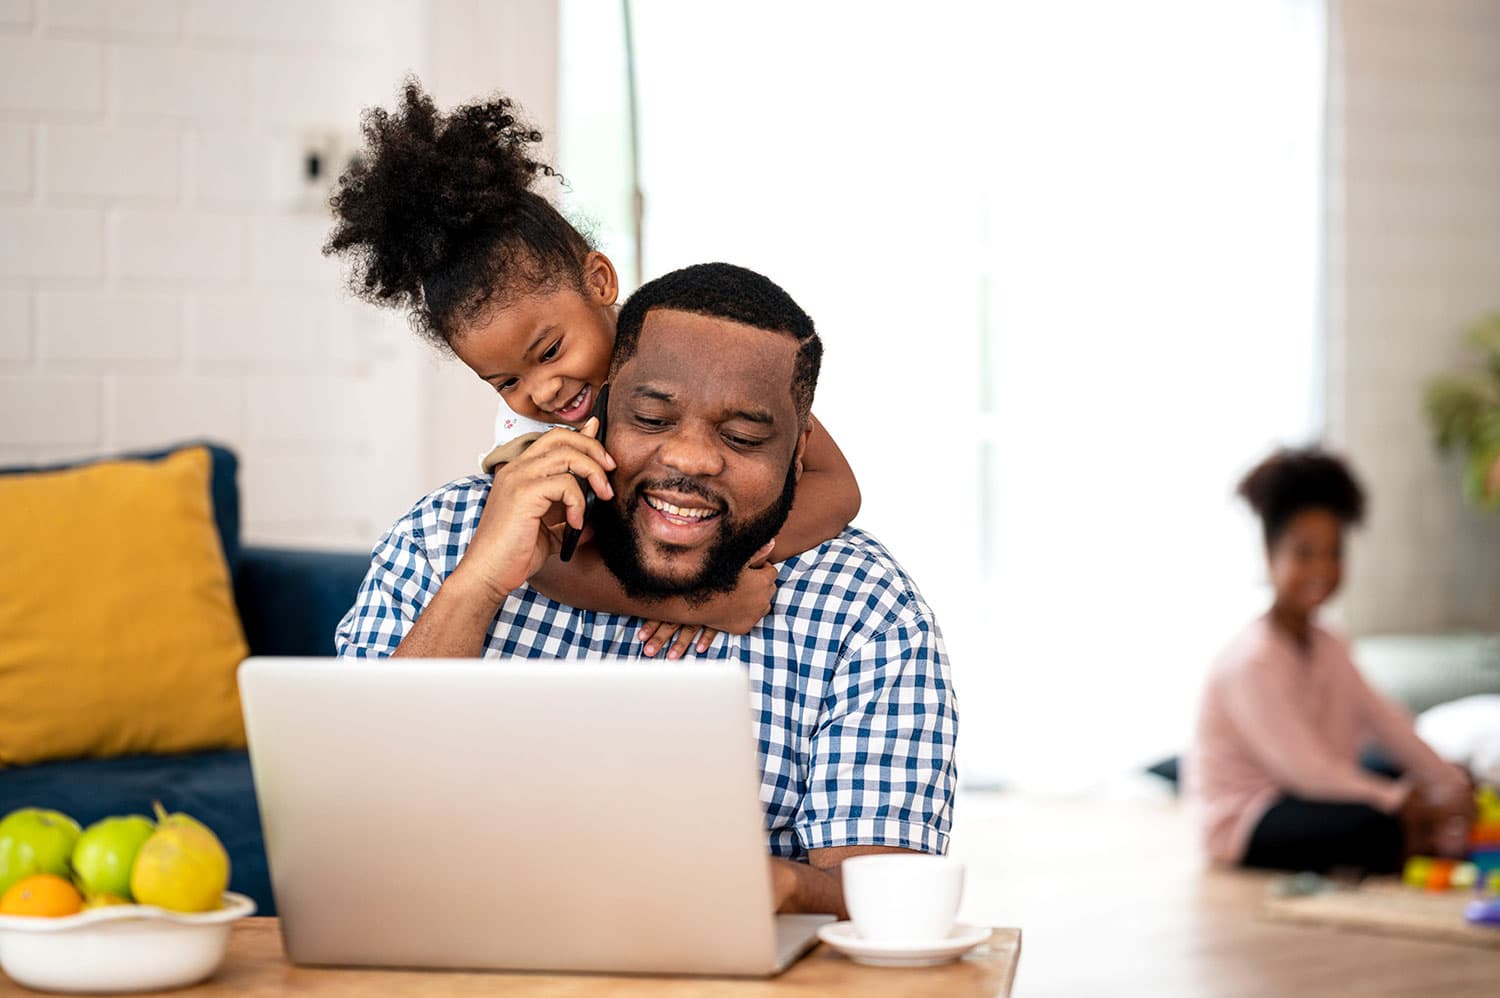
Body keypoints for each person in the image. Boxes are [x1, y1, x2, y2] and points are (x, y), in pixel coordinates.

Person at [333, 260, 958, 917]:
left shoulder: (863, 608)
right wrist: (481, 580)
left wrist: (788, 885)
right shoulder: (446, 539)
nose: (688, 459)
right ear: (604, 405)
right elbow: (352, 824)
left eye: (743, 437)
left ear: (798, 448)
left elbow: (898, 904)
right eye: (652, 420)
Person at [324, 78, 861, 660]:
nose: (542, 391)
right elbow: (553, 567)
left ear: (600, 283)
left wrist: (727, 553)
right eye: (506, 382)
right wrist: (694, 600)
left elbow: (838, 488)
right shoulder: (532, 444)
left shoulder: (688, 354)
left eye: (550, 351)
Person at [1186, 448, 1475, 874]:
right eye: (1305, 553)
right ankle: (1416, 838)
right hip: (1251, 815)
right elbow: (1307, 771)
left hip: (1306, 792)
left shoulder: (1330, 645)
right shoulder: (1250, 661)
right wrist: (1400, 800)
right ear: (1270, 557)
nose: (1322, 568)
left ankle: (1422, 834)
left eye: (1334, 553)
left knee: (1392, 775)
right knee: (1375, 822)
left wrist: (1450, 782)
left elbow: (1387, 721)